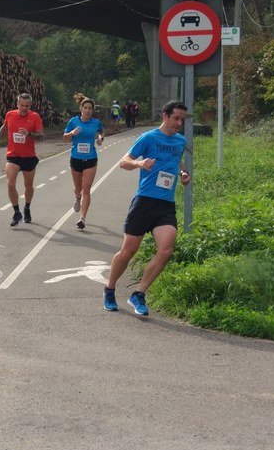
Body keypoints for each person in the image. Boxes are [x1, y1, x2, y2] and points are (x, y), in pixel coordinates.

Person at [103, 99, 191, 315]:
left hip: (166, 204)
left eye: (182, 119)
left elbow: (177, 161)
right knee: (128, 251)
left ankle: (139, 294)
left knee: (166, 250)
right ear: (165, 116)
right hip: (144, 201)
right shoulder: (148, 138)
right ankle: (110, 289)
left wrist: (183, 173)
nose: (179, 123)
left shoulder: (180, 141)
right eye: (176, 118)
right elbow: (124, 162)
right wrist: (140, 163)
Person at [0, 92, 43, 226]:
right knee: (10, 184)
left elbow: (41, 136)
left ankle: (27, 207)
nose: (24, 108)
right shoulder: (10, 114)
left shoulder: (35, 116)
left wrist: (29, 134)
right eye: (22, 105)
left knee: (28, 186)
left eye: (27, 106)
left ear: (30, 105)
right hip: (13, 155)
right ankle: (16, 212)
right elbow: (4, 127)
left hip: (29, 156)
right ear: (17, 104)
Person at [63, 97, 104, 230]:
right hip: (76, 158)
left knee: (86, 188)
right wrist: (71, 133)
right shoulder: (73, 121)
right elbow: (64, 138)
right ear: (81, 109)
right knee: (78, 188)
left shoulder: (96, 122)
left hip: (90, 159)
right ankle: (77, 197)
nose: (87, 110)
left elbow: (101, 132)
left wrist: (100, 138)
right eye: (85, 108)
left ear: (92, 110)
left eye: (90, 108)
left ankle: (82, 218)